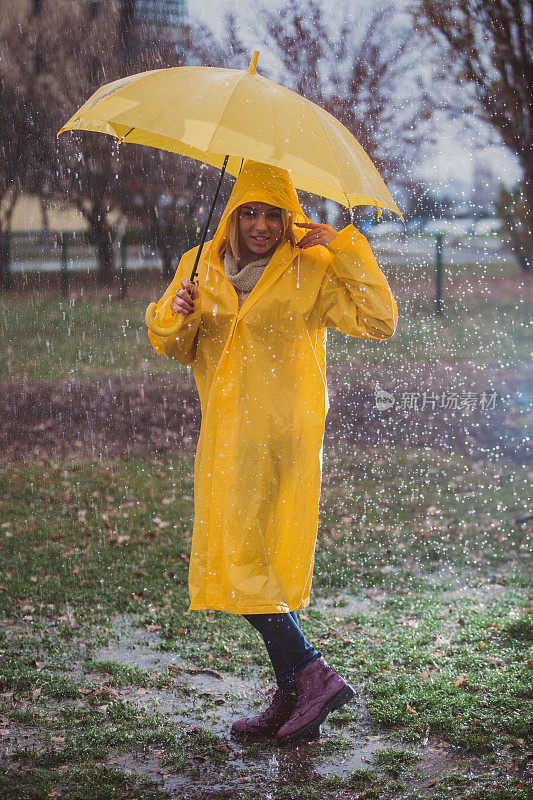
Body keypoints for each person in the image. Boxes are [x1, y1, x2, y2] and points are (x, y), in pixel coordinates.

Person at [147, 159, 398, 746]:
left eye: (273, 214)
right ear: (232, 216)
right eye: (250, 212)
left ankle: (310, 673)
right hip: (228, 436)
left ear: (291, 218)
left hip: (284, 435)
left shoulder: (311, 268)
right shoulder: (198, 266)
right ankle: (293, 693)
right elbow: (175, 346)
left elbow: (380, 320)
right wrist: (173, 312)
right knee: (244, 557)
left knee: (245, 558)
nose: (260, 225)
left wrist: (344, 249)